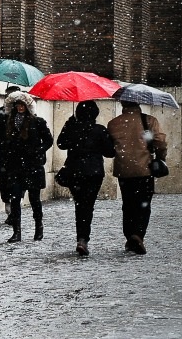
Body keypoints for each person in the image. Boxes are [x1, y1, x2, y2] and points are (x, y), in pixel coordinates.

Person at [0, 91, 54, 243]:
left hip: (32, 166)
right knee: (15, 199)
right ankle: (16, 232)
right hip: (15, 166)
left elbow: (48, 140)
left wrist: (38, 150)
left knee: (34, 200)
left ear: (27, 106)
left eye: (22, 105)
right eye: (17, 105)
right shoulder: (8, 122)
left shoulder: (38, 122)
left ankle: (38, 227)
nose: (20, 107)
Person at [56, 100, 116, 256]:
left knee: (80, 204)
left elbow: (61, 144)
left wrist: (69, 124)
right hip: (93, 173)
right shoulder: (99, 130)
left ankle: (81, 238)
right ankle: (83, 239)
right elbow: (110, 152)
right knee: (87, 205)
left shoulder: (72, 128)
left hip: (74, 172)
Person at [108, 101, 167, 255]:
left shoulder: (114, 123)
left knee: (128, 204)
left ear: (122, 104)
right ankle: (138, 234)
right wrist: (160, 157)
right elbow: (160, 142)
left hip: (124, 170)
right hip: (144, 169)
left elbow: (109, 147)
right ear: (138, 103)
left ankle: (129, 236)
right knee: (143, 204)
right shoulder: (149, 121)